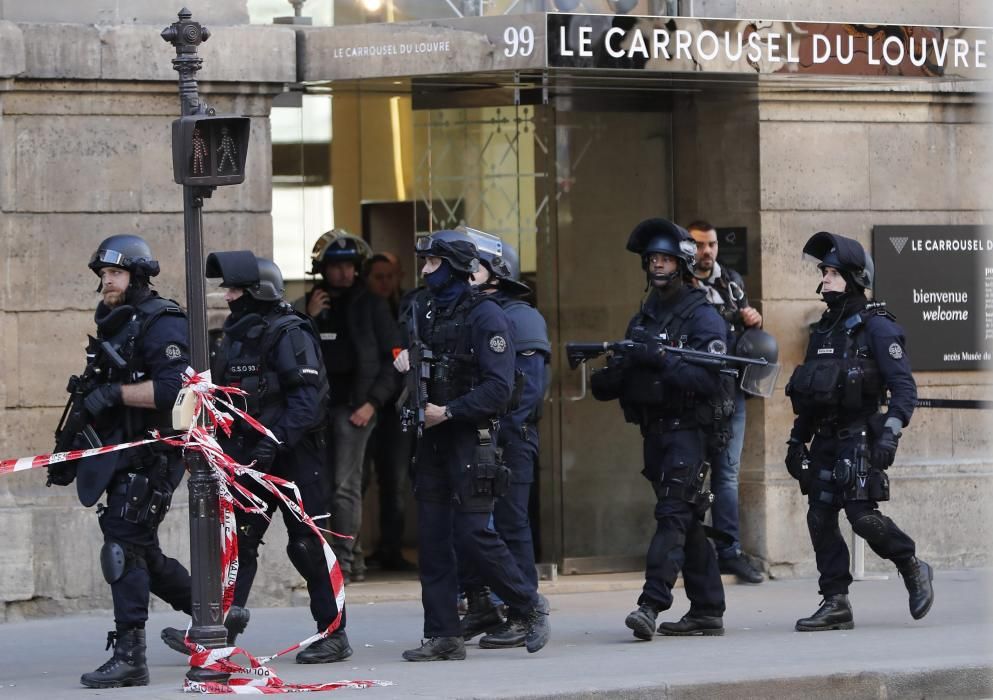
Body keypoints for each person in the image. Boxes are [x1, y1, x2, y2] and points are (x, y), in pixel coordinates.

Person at [163, 251, 350, 663]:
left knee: (306, 545)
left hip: (295, 455)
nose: (227, 296)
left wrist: (274, 440)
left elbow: (308, 402)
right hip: (249, 455)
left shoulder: (290, 331)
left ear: (257, 291)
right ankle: (217, 630)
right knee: (238, 542)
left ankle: (334, 632)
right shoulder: (236, 333)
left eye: (234, 288)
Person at [393, 229, 550, 661]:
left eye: (433, 264)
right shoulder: (423, 311)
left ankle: (527, 606)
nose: (425, 271)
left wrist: (449, 411)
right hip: (432, 442)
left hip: (470, 439)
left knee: (474, 534)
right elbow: (416, 357)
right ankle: (443, 634)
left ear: (456, 268)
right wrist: (404, 360)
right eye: (425, 263)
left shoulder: (487, 317)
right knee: (434, 539)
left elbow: (499, 389)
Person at [46, 234, 193, 688]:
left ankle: (131, 655)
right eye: (104, 274)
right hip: (121, 451)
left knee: (122, 544)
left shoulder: (163, 321)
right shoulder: (114, 320)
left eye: (114, 273)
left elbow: (173, 391)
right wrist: (70, 453)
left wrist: (113, 394)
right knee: (140, 551)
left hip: (154, 453)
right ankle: (215, 611)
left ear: (138, 275)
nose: (106, 282)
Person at [785, 232, 934, 631]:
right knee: (819, 516)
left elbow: (904, 388)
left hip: (861, 435)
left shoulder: (878, 329)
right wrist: (797, 440)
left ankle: (911, 564)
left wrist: (891, 432)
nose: (826, 279)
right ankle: (836, 601)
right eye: (824, 272)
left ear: (854, 278)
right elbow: (812, 393)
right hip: (826, 437)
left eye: (833, 272)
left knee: (862, 516)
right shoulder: (822, 332)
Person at [589, 218, 727, 640]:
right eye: (653, 259)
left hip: (690, 433)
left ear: (682, 263)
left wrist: (662, 359)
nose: (657, 265)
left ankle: (650, 604)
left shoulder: (702, 316)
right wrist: (615, 371)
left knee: (671, 515)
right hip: (655, 434)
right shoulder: (644, 315)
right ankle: (707, 609)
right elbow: (613, 381)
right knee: (684, 520)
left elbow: (710, 380)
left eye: (665, 258)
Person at [459, 231, 551, 648]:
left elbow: (528, 390)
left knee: (511, 523)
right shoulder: (472, 314)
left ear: (496, 272)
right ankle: (485, 607)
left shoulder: (521, 316)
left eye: (472, 266)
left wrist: (498, 433)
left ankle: (521, 612)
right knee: (473, 526)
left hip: (510, 437)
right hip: (476, 437)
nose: (465, 273)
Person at [299, 231, 402, 584]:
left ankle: (341, 562)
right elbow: (294, 353)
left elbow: (395, 360)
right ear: (322, 269)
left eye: (348, 266)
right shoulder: (307, 305)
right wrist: (310, 317)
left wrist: (372, 403)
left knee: (345, 486)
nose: (343, 274)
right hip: (317, 411)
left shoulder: (372, 305)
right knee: (322, 485)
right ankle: (348, 557)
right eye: (335, 267)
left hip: (355, 410)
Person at [686, 220, 765, 584]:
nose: (707, 252)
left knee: (727, 475)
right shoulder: (680, 283)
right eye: (700, 245)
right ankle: (690, 550)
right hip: (693, 392)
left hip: (731, 392)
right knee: (689, 475)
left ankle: (729, 551)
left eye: (712, 244)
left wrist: (752, 318)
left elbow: (747, 330)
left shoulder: (731, 283)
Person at [361, 251, 416, 572]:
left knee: (395, 481)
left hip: (399, 407)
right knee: (361, 479)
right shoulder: (364, 309)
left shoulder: (408, 308)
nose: (384, 282)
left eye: (389, 276)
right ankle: (363, 550)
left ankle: (391, 547)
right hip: (369, 404)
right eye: (377, 277)